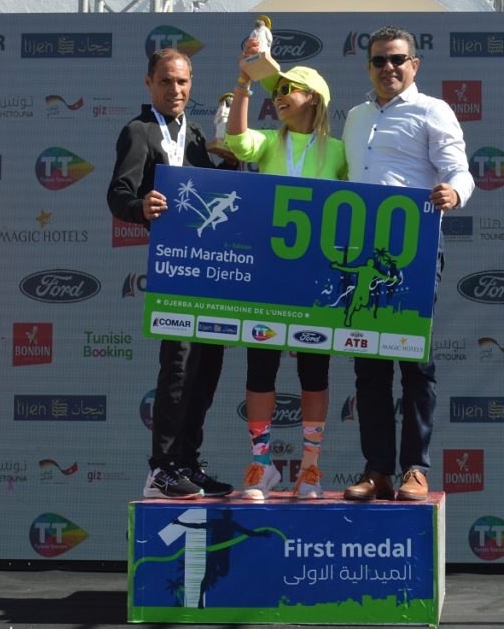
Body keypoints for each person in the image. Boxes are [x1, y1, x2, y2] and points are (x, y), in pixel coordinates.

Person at [341, 26, 474, 502]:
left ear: (414, 64)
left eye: (398, 59)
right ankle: (377, 470)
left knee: (415, 363)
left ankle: (415, 469)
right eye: (379, 60)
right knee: (368, 367)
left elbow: (458, 169)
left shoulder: (433, 110)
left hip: (412, 251)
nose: (389, 68)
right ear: (369, 67)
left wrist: (454, 192)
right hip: (361, 252)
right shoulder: (354, 117)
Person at [107, 47, 235, 499]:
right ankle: (161, 468)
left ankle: (188, 463)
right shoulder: (138, 131)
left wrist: (231, 162)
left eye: (182, 81)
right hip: (174, 269)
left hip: (210, 269)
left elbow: (211, 191)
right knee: (178, 367)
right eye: (165, 81)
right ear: (149, 83)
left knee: (208, 368)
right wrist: (140, 206)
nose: (175, 89)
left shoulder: (196, 133)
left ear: (191, 83)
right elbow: (118, 194)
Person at [225, 37, 347, 500]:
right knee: (261, 369)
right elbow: (237, 141)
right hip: (268, 275)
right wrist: (244, 81)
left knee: (315, 373)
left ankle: (310, 469)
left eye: (287, 89)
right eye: (275, 91)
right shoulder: (268, 141)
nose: (278, 96)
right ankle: (261, 465)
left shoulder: (339, 151)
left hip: (316, 278)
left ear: (313, 97)